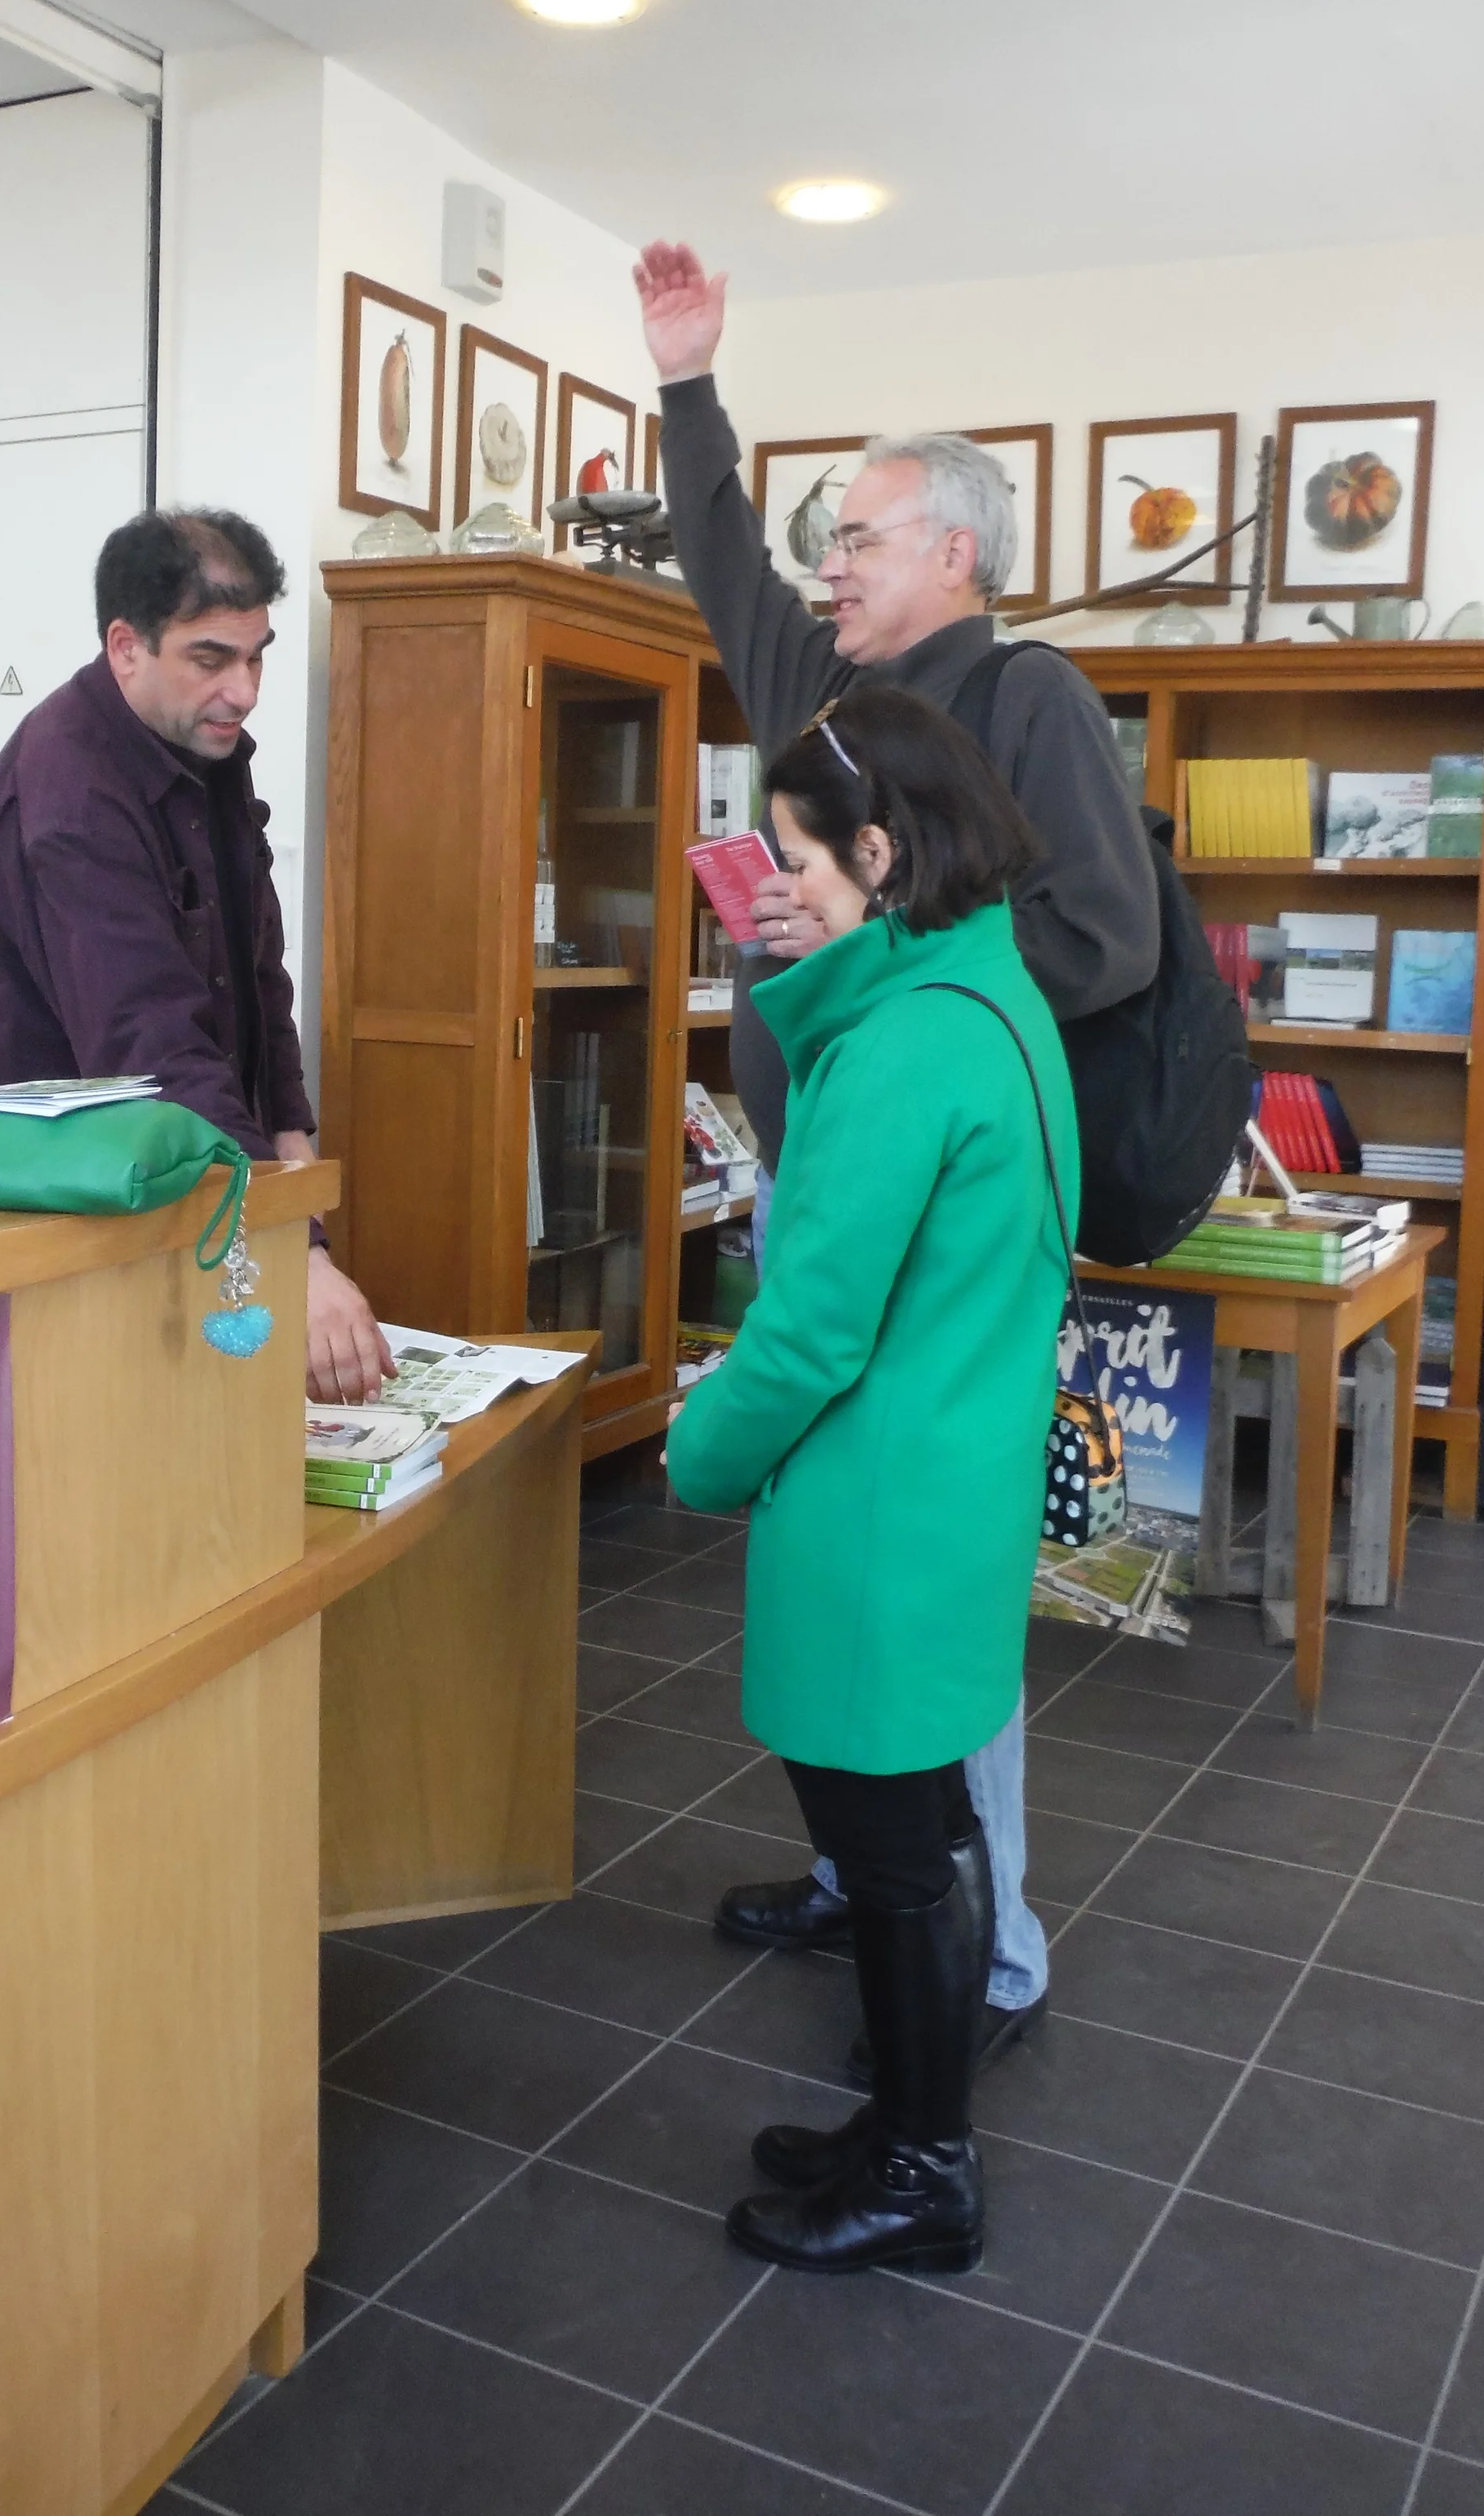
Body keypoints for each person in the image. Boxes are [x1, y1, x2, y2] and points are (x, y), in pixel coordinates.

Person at [636, 237, 1158, 2066]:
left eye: (853, 537)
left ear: (954, 549)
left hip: (930, 1199)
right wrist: (688, 383)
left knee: (920, 1599)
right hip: (830, 1174)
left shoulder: (1023, 706)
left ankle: (981, 1948)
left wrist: (896, 973)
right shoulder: (835, 703)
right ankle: (878, 1890)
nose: (824, 567)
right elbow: (716, 564)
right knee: (841, 1582)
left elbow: (1103, 938)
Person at [667, 688, 1076, 2272]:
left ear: (884, 849)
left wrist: (694, 1453)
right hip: (951, 1482)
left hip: (875, 1506)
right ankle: (908, 2124)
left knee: (895, 1858)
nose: (780, 886)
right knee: (921, 1837)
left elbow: (807, 1329)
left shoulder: (900, 1050)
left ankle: (921, 2165)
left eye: (799, 859)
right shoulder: (986, 997)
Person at [0, 506, 394, 1406]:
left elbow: (255, 975)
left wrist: (293, 1155)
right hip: (61, 1207)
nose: (245, 689)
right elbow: (151, 1040)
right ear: (126, 647)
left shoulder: (202, 742)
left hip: (177, 1178)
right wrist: (287, 1246)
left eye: (257, 654)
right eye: (211, 658)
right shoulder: (71, 789)